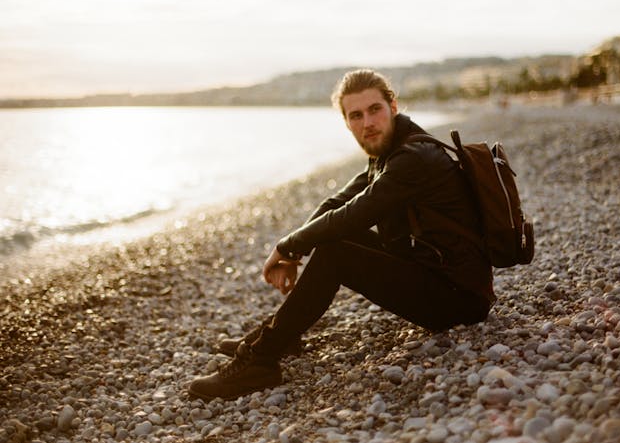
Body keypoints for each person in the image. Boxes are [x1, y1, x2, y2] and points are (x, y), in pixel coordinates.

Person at [188, 69, 495, 401]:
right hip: (436, 275)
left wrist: (286, 247)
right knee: (333, 240)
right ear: (347, 122)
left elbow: (354, 215)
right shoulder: (391, 151)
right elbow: (336, 202)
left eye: (375, 109)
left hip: (458, 299)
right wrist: (293, 251)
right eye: (356, 116)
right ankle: (278, 336)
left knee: (337, 250)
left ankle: (261, 360)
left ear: (393, 105)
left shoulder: (413, 159)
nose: (368, 123)